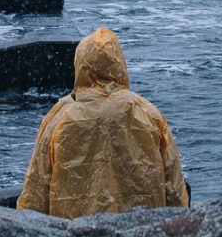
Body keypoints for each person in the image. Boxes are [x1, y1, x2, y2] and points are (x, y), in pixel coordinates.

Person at [16, 26, 188, 219]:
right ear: (120, 64)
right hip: (138, 233)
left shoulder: (60, 116)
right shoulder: (148, 113)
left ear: (80, 66)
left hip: (74, 236)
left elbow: (36, 191)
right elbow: (173, 188)